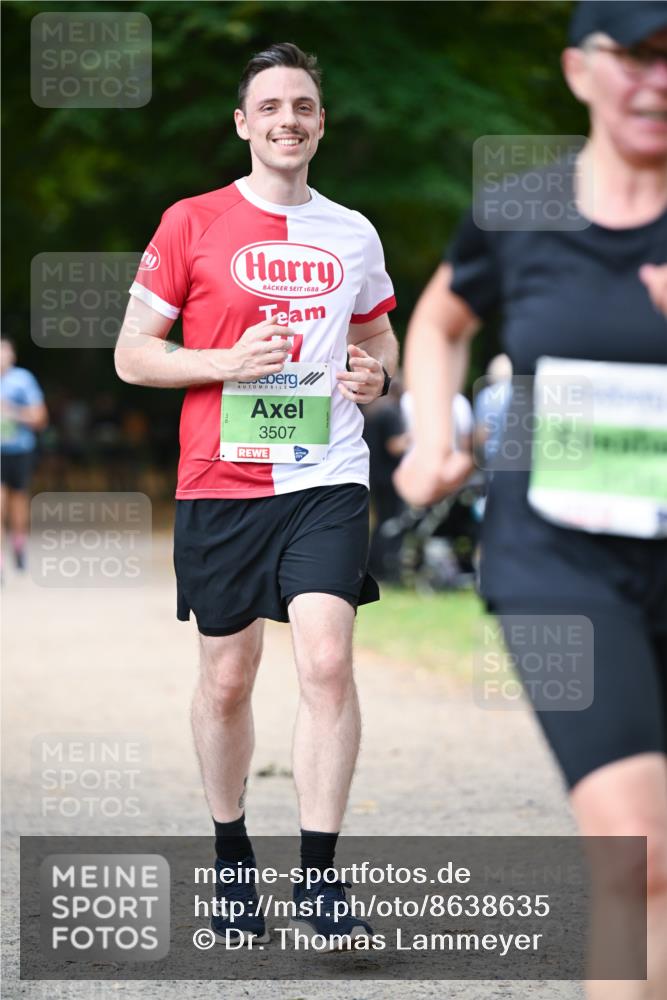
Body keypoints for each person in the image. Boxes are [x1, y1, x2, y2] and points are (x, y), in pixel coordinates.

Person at [395, 3, 667, 997]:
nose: (658, 79)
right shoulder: (521, 209)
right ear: (578, 70)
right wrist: (433, 437)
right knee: (638, 852)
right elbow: (437, 321)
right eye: (636, 55)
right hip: (559, 555)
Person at [114, 42, 398, 947]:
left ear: (321, 122)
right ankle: (232, 859)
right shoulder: (191, 221)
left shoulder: (353, 231)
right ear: (243, 123)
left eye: (304, 106)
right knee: (228, 678)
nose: (288, 120)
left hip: (326, 475)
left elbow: (380, 342)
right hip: (220, 480)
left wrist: (373, 380)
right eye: (270, 106)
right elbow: (132, 355)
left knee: (324, 660)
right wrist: (223, 363)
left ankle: (320, 880)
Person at [0, 338, 48, 573]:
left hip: (20, 450)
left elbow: (40, 418)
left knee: (18, 502)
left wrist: (13, 412)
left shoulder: (23, 380)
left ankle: (19, 544)